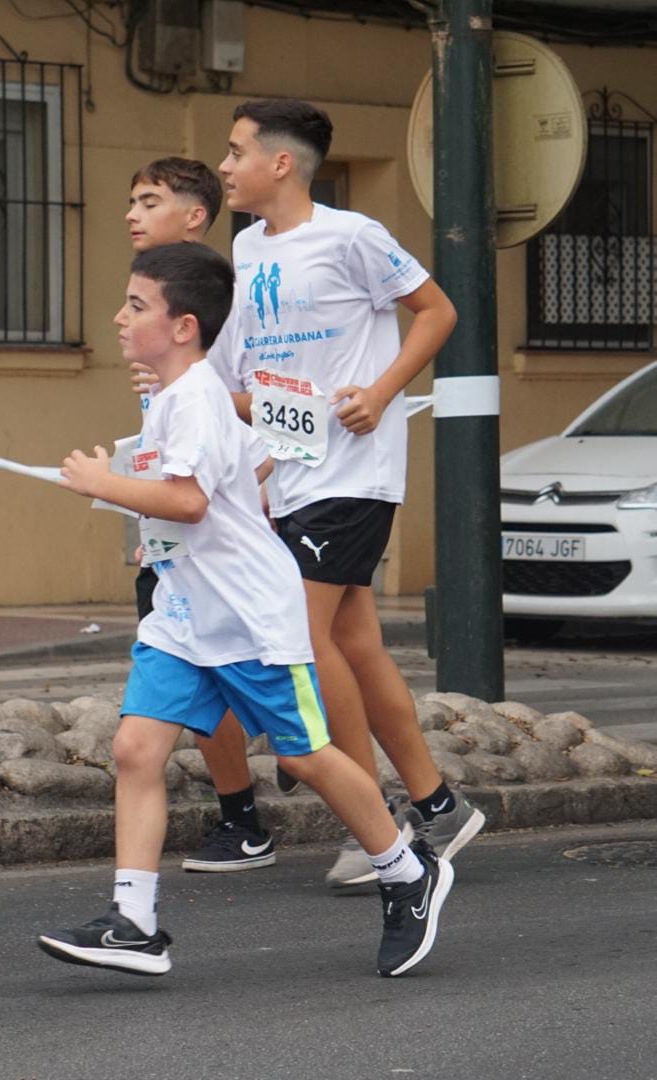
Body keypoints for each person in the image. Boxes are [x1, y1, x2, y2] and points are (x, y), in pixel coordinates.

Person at [38, 243, 453, 978]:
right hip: (184, 618)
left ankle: (406, 869)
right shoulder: (177, 401)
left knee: (303, 755)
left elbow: (190, 499)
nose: (120, 317)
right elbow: (216, 489)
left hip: (252, 619)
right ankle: (134, 921)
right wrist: (146, 513)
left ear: (183, 326)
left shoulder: (196, 396)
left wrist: (101, 481)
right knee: (136, 748)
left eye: (137, 306)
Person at [211, 98, 483, 890]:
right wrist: (248, 446)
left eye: (235, 152)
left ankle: (378, 828)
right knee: (354, 640)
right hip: (294, 474)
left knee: (303, 631)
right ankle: (439, 806)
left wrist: (382, 389)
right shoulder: (247, 248)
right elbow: (250, 386)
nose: (225, 166)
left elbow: (437, 311)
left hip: (353, 476)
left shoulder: (353, 235)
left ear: (281, 162)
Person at [127, 157, 276, 874]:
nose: (132, 213)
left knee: (305, 740)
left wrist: (244, 498)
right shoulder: (149, 303)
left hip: (233, 541)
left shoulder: (219, 300)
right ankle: (237, 821)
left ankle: (394, 843)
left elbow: (266, 414)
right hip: (182, 535)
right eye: (131, 201)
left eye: (149, 201)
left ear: (194, 215)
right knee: (153, 721)